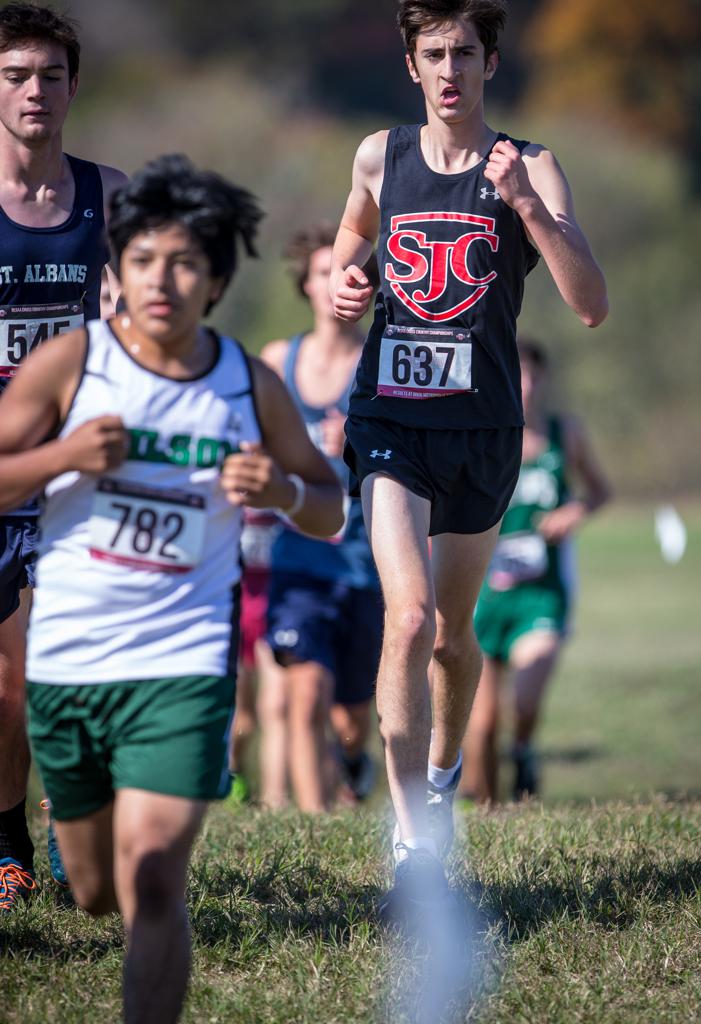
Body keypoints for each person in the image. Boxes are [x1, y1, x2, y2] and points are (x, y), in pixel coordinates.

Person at [0, 154, 343, 1023]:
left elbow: (331, 509)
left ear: (217, 279)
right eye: (145, 259)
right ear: (116, 269)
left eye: (186, 262)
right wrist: (61, 460)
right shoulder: (72, 367)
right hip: (72, 665)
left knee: (155, 877)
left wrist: (283, 494)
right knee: (93, 892)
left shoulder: (248, 384)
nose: (163, 280)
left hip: (185, 662)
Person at [329, 0, 608, 915]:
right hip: (389, 422)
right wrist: (347, 281)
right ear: (411, 65)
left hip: (484, 431)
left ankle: (444, 778)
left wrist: (529, 208)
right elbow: (348, 249)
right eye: (432, 54)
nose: (449, 70)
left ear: (491, 61)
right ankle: (413, 840)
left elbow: (590, 302)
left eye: (465, 53)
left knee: (452, 636)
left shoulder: (529, 164)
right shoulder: (381, 155)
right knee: (405, 622)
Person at [0, 1, 127, 906]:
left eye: (49, 75)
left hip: (79, 469)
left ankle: (66, 828)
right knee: (8, 685)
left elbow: (147, 316)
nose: (33, 91)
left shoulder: (107, 193)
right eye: (14, 75)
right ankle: (6, 845)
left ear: (74, 87)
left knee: (70, 671)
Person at [262, 223, 382, 812]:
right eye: (323, 273)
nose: (336, 284)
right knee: (303, 691)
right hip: (298, 560)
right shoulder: (276, 362)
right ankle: (314, 823)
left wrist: (355, 446)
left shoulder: (384, 359)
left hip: (369, 563)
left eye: (349, 273)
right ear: (305, 285)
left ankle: (355, 762)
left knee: (353, 713)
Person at [461, 339, 611, 803]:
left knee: (524, 701)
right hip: (481, 595)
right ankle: (489, 814)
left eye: (531, 375)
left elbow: (600, 491)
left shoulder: (565, 433)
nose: (523, 386)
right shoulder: (475, 434)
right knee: (481, 723)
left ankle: (523, 747)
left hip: (540, 595)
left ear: (542, 380)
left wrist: (574, 512)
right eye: (514, 374)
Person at [226, 505, 287, 808]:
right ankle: (235, 772)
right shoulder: (226, 483)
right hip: (233, 609)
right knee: (243, 717)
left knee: (276, 708)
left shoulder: (287, 477)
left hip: (276, 608)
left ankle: (275, 798)